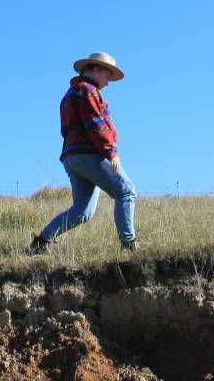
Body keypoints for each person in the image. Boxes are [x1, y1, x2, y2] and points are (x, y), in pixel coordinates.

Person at [31, 52, 138, 252]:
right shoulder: (88, 90)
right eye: (107, 76)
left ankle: (42, 241)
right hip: (89, 153)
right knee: (126, 190)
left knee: (82, 211)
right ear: (96, 70)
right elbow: (96, 124)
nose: (107, 83)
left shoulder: (69, 93)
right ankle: (129, 244)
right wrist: (110, 152)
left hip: (71, 157)